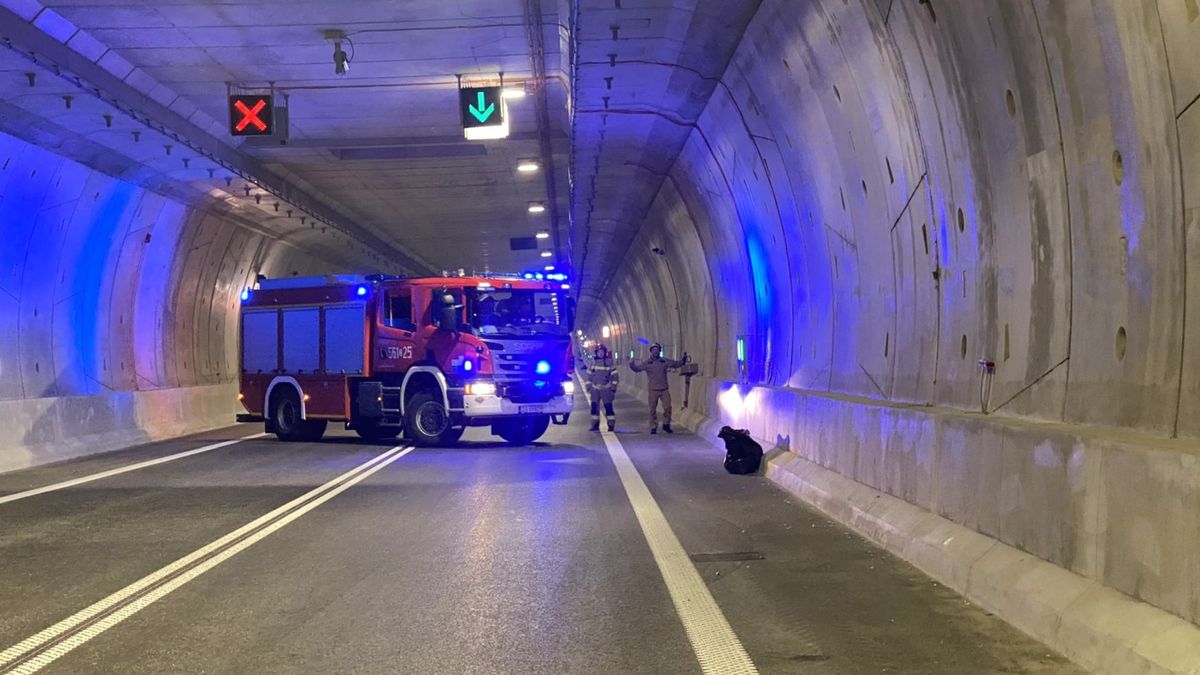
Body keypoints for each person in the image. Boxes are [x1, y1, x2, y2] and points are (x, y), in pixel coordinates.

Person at [629, 343, 688, 434]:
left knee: (668, 407)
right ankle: (653, 426)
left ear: (660, 351)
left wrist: (683, 361)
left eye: (657, 350)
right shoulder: (647, 363)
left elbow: (675, 364)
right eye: (653, 350)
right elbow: (637, 369)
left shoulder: (664, 361)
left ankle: (666, 424)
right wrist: (631, 364)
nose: (655, 351)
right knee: (652, 409)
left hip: (664, 389)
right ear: (651, 351)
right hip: (653, 390)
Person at [583, 344, 619, 432]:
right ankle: (595, 425)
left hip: (606, 389)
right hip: (595, 390)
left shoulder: (609, 362)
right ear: (596, 353)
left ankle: (611, 425)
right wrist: (588, 387)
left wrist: (613, 388)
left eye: (602, 352)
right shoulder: (593, 363)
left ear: (605, 353)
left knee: (608, 407)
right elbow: (588, 376)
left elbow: (615, 376)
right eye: (599, 352)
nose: (601, 353)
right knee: (594, 408)